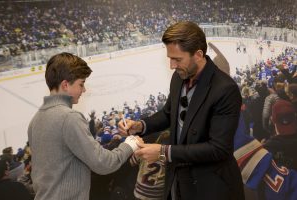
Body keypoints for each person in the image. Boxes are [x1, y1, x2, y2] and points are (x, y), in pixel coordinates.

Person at [119, 21, 244, 200]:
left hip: (210, 187)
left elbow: (218, 149)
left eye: (177, 59)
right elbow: (168, 114)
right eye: (170, 58)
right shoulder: (178, 78)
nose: (171, 65)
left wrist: (164, 152)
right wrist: (140, 126)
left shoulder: (225, 89)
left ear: (198, 55)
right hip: (178, 181)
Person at [28, 52, 143, 200]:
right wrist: (129, 145)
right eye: (81, 84)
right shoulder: (69, 118)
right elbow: (103, 163)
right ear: (65, 85)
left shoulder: (36, 120)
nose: (84, 90)